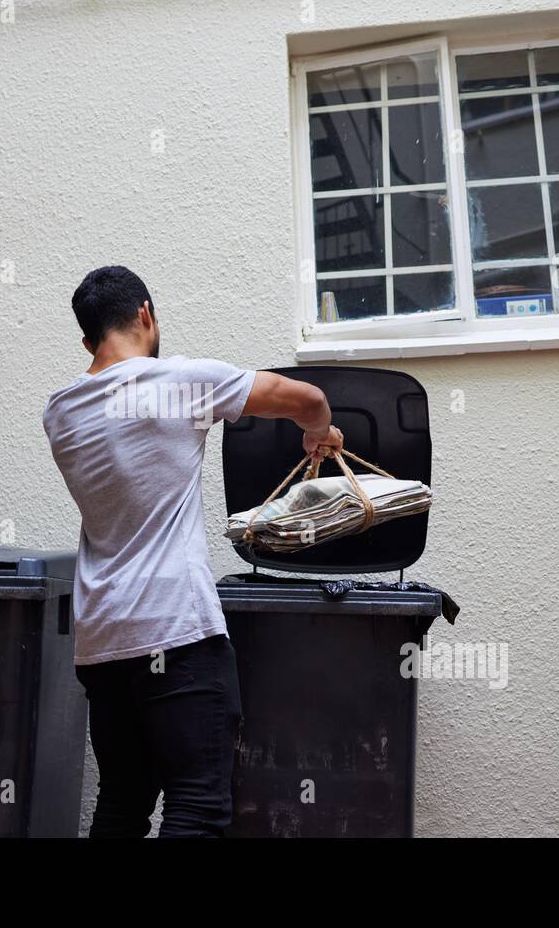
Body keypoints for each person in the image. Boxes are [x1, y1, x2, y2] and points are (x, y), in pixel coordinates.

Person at [42, 265, 343, 837]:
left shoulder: (60, 413)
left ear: (87, 341)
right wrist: (318, 432)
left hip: (103, 641)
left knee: (122, 801)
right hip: (177, 633)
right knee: (198, 805)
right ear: (146, 315)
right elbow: (307, 397)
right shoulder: (182, 384)